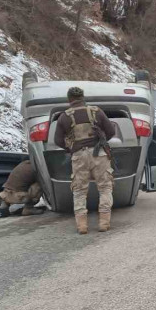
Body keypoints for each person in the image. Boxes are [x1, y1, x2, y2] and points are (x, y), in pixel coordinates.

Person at [54, 87, 116, 234]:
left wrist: (70, 148)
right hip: (99, 154)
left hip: (79, 156)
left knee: (79, 191)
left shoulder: (64, 117)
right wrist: (102, 140)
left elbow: (57, 140)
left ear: (69, 99)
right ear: (83, 98)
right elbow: (111, 131)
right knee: (105, 187)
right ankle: (104, 223)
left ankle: (82, 226)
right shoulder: (96, 111)